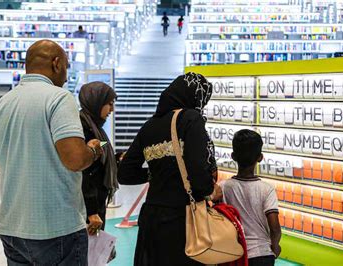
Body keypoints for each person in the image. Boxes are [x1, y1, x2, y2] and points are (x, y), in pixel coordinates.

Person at [0, 40, 103, 265]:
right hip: (56, 228)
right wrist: (93, 150)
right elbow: (76, 159)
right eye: (67, 67)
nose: (67, 76)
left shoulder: (0, 105)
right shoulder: (59, 97)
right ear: (56, 63)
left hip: (12, 228)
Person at [118, 72, 221, 266]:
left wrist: (156, 174)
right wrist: (210, 190)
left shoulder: (149, 125)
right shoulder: (191, 119)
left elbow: (125, 173)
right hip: (182, 219)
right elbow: (198, 175)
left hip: (152, 217)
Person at [220, 129, 282, 266]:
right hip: (262, 254)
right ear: (260, 157)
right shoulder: (267, 189)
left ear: (233, 156)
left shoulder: (223, 187)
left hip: (233, 254)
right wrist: (275, 246)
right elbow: (275, 227)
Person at [79, 81, 119, 236]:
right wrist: (92, 211)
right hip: (87, 205)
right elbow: (83, 170)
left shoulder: (96, 127)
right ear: (96, 102)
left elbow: (98, 161)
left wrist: (116, 159)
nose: (112, 109)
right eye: (109, 104)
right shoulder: (82, 127)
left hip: (96, 199)